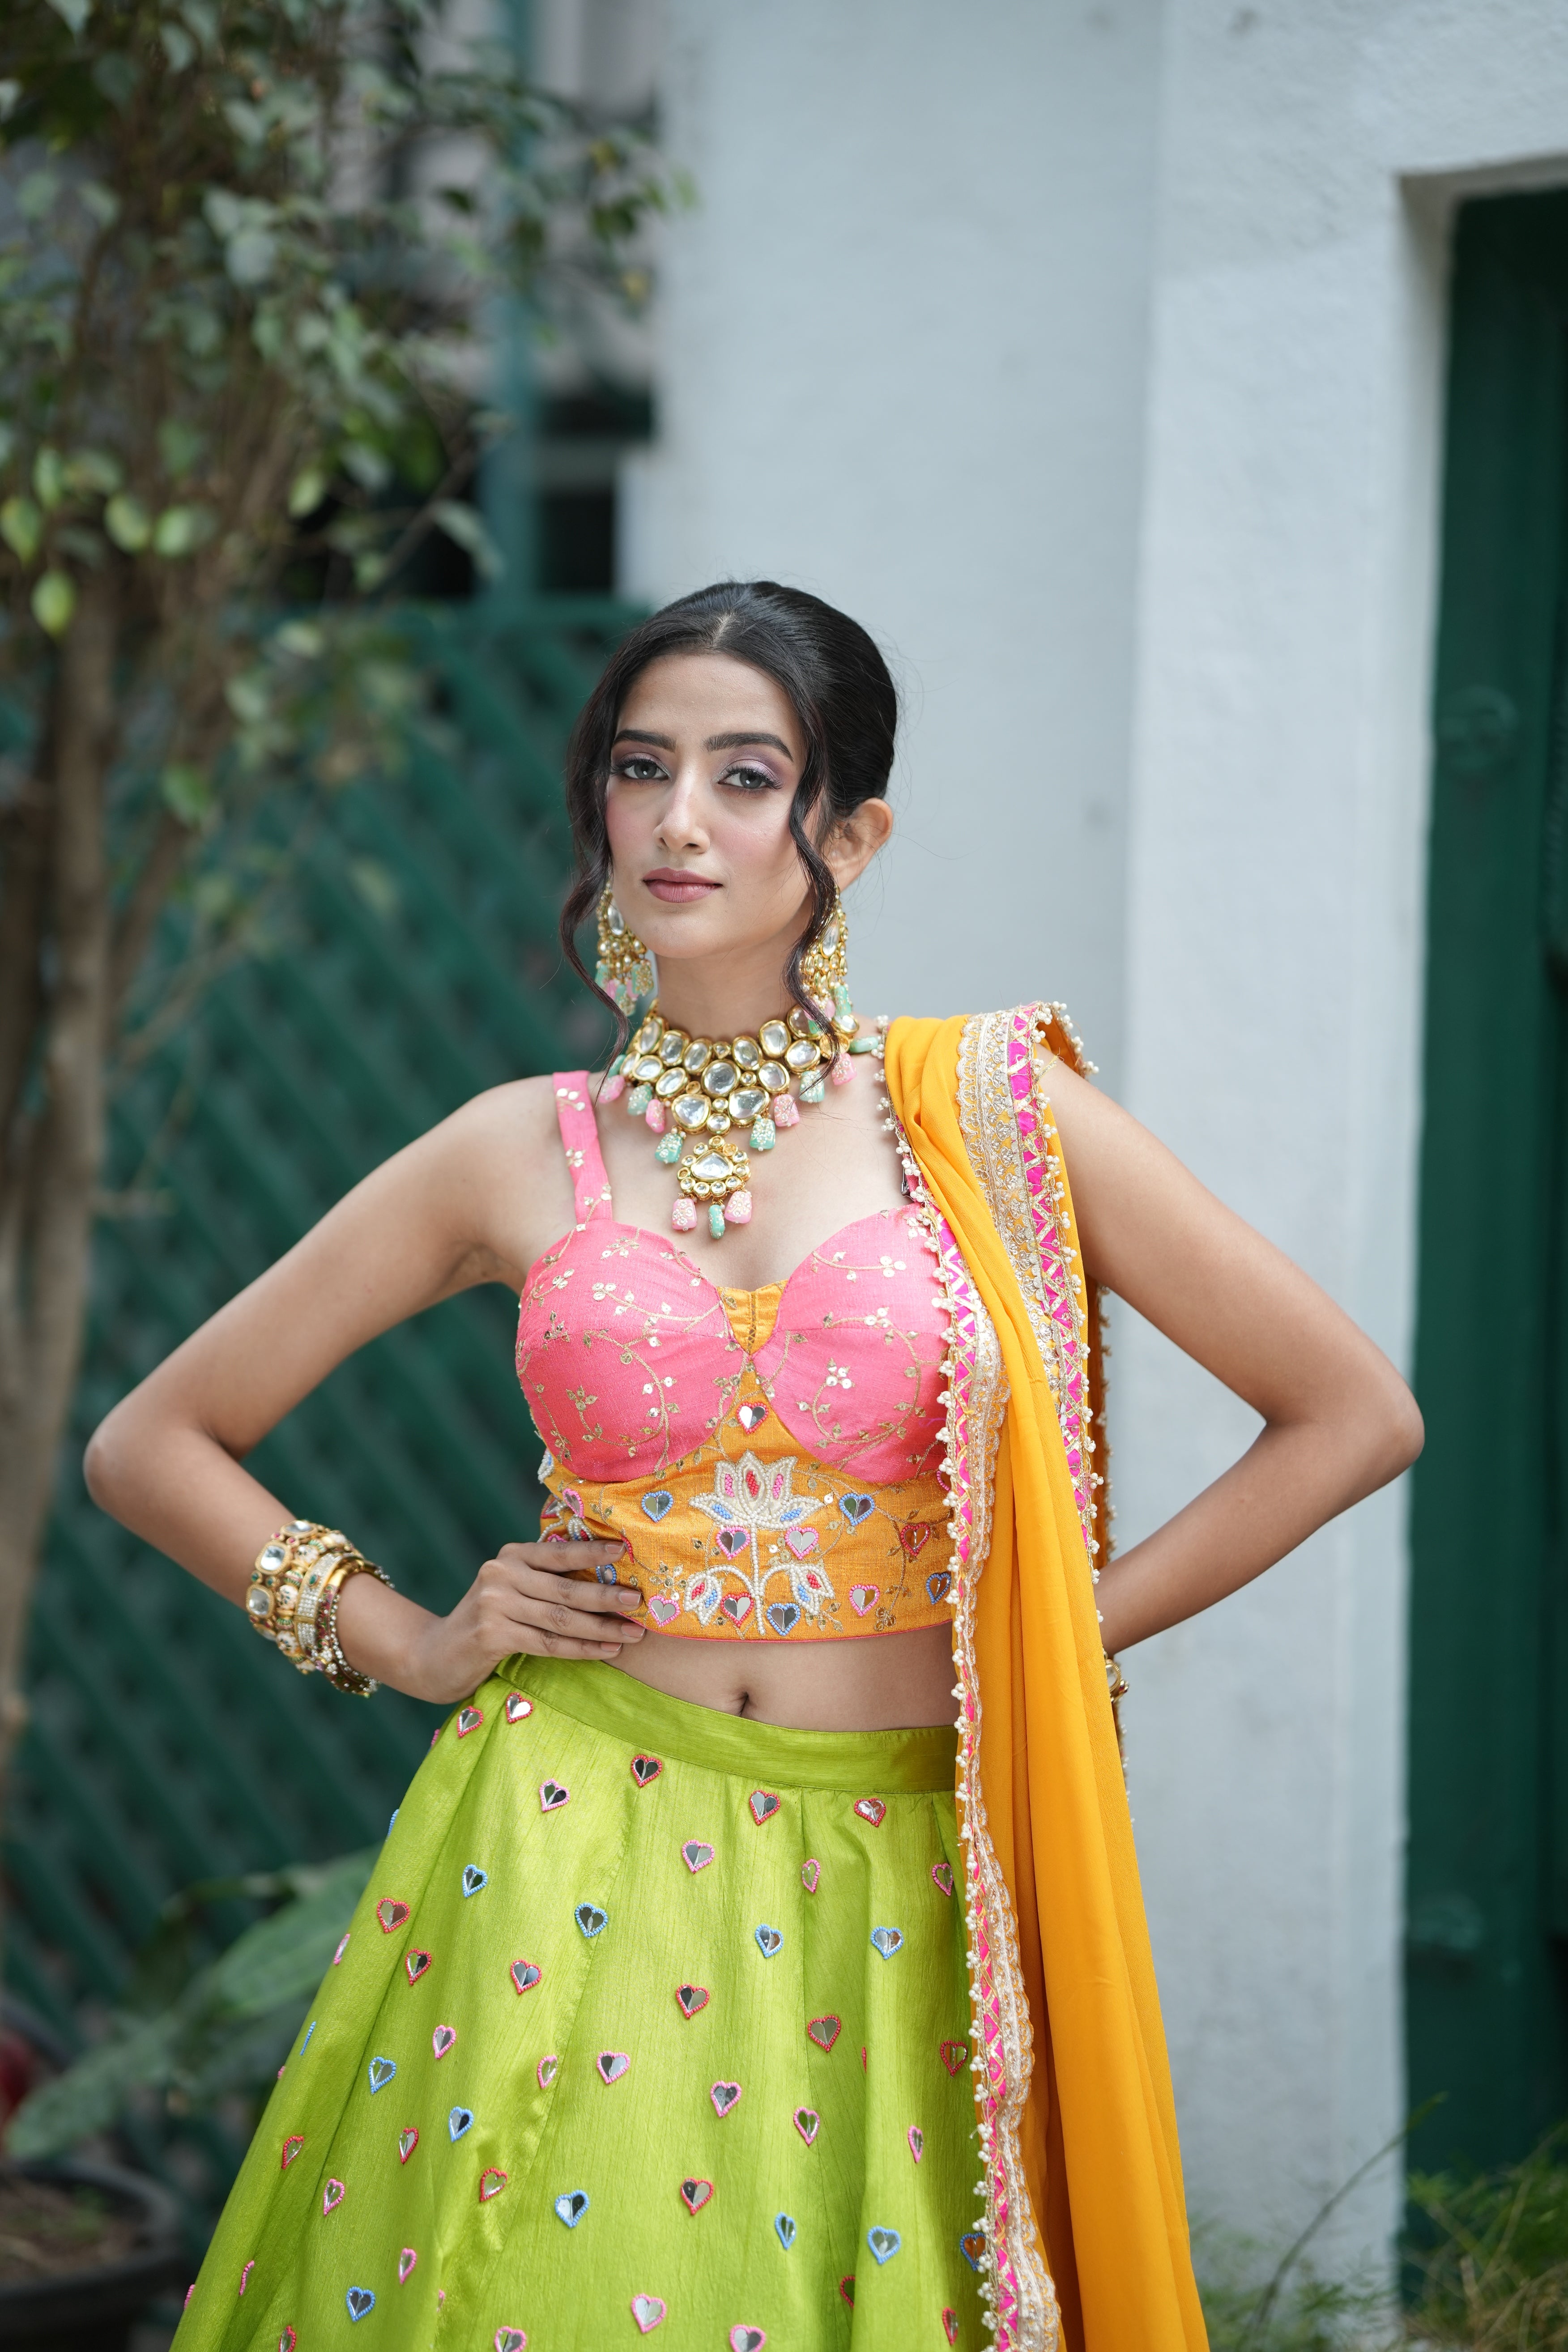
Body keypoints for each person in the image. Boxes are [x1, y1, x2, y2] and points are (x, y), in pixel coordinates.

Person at [86, 580, 1423, 2352]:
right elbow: (151, 1442)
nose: (677, 818)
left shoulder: (994, 1122)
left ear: (851, 834)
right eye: (642, 769)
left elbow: (1351, 1414)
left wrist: (1057, 1623)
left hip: (898, 1870)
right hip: (565, 1837)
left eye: (743, 772)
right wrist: (402, 1639)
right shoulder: (517, 1149)